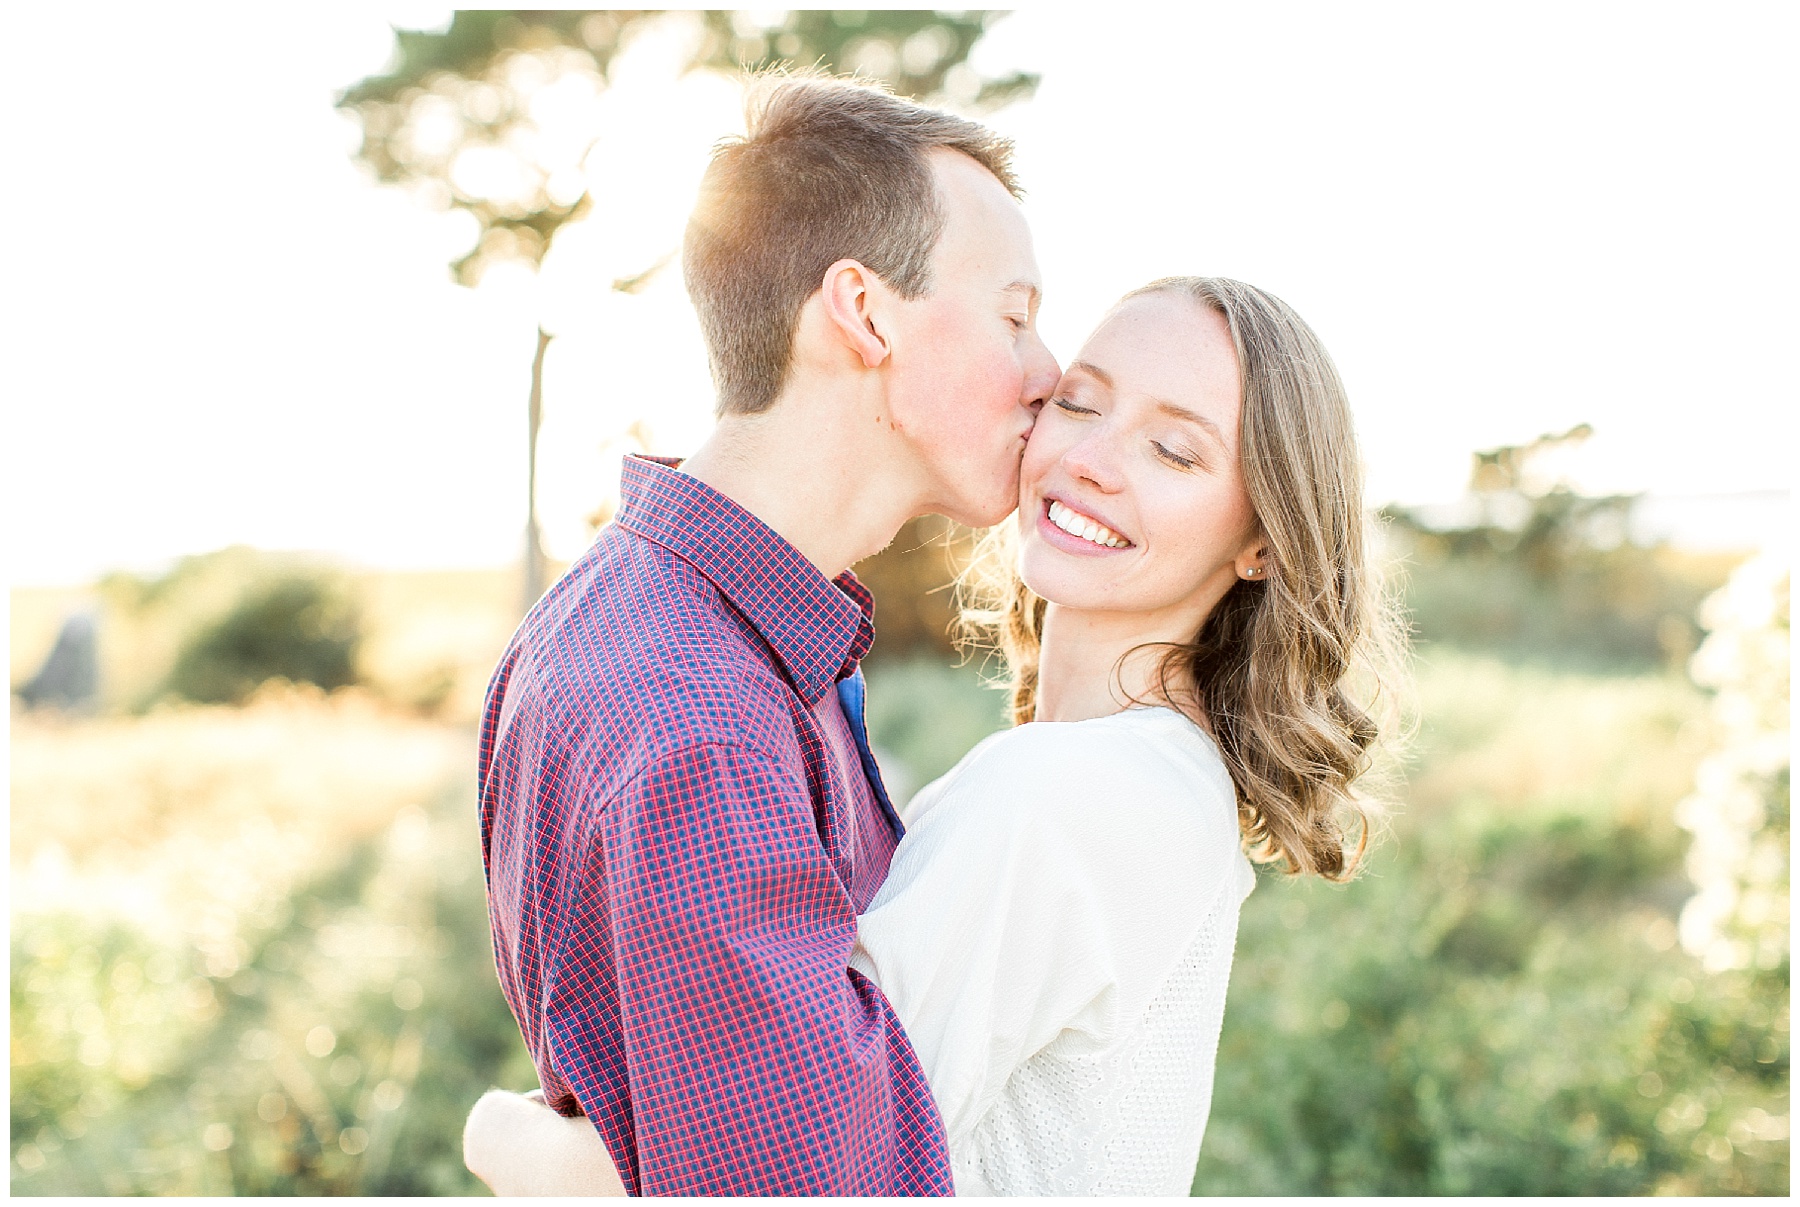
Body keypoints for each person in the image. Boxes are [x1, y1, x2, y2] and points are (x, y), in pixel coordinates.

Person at [466, 275, 1406, 1194]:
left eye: (1174, 451)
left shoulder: (1060, 797)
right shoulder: (1168, 778)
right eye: (1079, 402)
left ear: (1262, 542)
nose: (1091, 458)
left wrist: (499, 1135)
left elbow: (788, 1173)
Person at [474, 72, 1059, 1197]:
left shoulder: (655, 619)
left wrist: (517, 1148)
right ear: (865, 312)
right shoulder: (700, 729)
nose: (1049, 371)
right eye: (1015, 315)